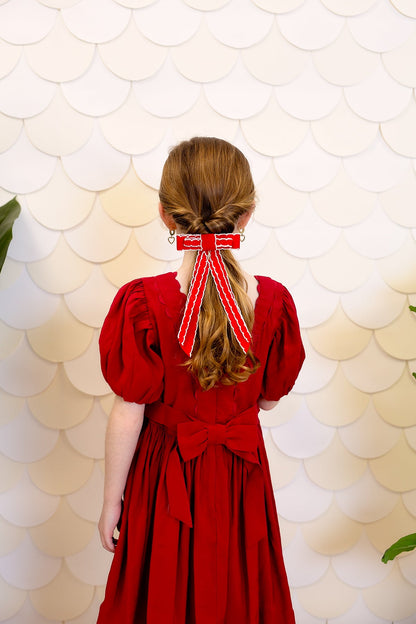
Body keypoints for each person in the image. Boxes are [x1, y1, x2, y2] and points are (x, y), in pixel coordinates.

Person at [96, 136, 305, 624]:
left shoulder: (142, 303)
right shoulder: (273, 303)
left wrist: (111, 502)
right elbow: (269, 401)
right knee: (238, 593)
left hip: (164, 477)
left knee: (161, 594)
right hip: (240, 476)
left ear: (166, 216)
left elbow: (129, 410)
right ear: (246, 215)